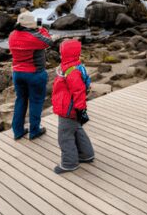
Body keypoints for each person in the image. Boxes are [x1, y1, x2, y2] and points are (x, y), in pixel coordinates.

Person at [51, 39, 94, 174]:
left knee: (65, 136)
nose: (60, 55)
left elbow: (79, 91)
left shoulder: (72, 71)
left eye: (61, 52)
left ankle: (69, 163)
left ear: (66, 54)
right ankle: (86, 154)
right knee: (76, 130)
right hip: (71, 108)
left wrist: (80, 109)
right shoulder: (74, 66)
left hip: (68, 110)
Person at [8, 12, 53, 140]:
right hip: (34, 74)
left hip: (17, 73)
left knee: (20, 100)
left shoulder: (12, 35)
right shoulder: (34, 37)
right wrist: (41, 28)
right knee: (36, 101)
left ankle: (18, 131)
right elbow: (49, 41)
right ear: (30, 24)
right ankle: (34, 131)